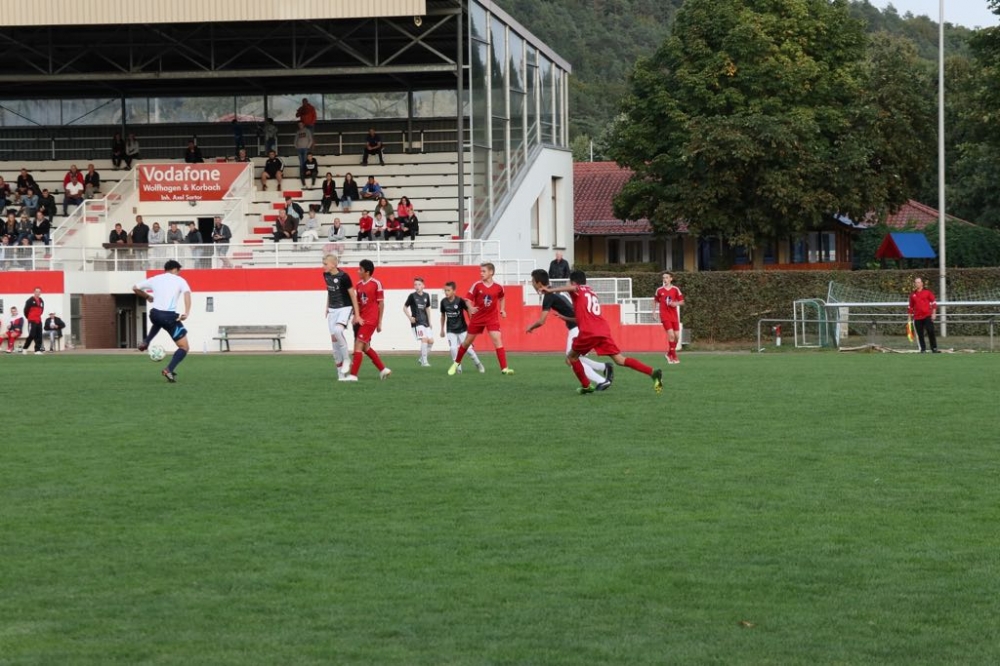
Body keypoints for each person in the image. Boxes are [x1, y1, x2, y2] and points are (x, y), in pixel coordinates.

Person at [542, 270, 663, 394]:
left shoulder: (578, 290)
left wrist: (550, 290)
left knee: (571, 358)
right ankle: (652, 372)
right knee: (620, 360)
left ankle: (586, 386)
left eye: (569, 282)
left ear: (573, 282)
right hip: (602, 329)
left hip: (589, 331)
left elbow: (573, 288)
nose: (568, 285)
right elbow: (583, 317)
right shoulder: (591, 292)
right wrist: (565, 318)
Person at [527, 268, 613, 390]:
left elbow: (542, 321)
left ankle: (602, 381)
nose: (532, 284)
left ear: (539, 283)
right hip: (580, 325)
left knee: (570, 360)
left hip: (576, 327)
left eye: (533, 281)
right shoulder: (556, 291)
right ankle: (604, 367)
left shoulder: (548, 296)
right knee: (576, 357)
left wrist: (530, 327)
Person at [447, 262, 514, 376]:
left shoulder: (498, 287)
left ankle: (504, 369)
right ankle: (456, 363)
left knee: (497, 339)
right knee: (467, 342)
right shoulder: (477, 285)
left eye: (484, 271)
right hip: (478, 318)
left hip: (492, 318)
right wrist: (470, 307)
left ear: (491, 272)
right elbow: (467, 299)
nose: (481, 273)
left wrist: (503, 309)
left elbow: (502, 297)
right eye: (480, 271)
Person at [133, 260, 192, 383]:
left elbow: (135, 288)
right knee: (184, 347)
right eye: (179, 271)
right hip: (168, 317)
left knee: (158, 321)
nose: (179, 273)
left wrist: (148, 297)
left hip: (154, 314)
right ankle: (168, 369)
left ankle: (146, 342)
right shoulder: (180, 280)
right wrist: (186, 312)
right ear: (175, 269)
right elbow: (187, 294)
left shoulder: (155, 279)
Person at [342, 258, 391, 382]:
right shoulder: (358, 285)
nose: (358, 271)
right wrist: (355, 316)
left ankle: (353, 375)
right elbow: (358, 304)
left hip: (371, 320)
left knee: (358, 345)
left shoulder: (376, 284)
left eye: (360, 269)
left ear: (367, 272)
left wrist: (379, 322)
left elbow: (381, 304)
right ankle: (383, 369)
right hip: (362, 320)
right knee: (365, 347)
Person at [321, 254, 361, 379]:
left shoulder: (344, 277)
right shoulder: (326, 275)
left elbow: (353, 295)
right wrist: (327, 306)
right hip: (332, 310)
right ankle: (340, 374)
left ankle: (347, 359)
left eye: (325, 264)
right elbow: (330, 291)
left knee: (338, 331)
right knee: (334, 343)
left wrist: (357, 314)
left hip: (345, 307)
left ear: (334, 264)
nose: (323, 266)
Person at [439, 281, 485, 373]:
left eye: (448, 290)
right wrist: (442, 329)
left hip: (462, 329)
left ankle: (478, 364)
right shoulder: (443, 302)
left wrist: (472, 323)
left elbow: (468, 310)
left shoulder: (460, 301)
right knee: (453, 348)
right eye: (445, 290)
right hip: (450, 330)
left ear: (454, 291)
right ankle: (458, 368)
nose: (446, 292)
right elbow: (443, 315)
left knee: (468, 350)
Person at [654, 271, 685, 364]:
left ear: (671, 279)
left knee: (677, 337)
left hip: (674, 316)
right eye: (663, 278)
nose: (665, 279)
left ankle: (669, 354)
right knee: (671, 335)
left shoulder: (675, 289)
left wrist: (675, 303)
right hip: (664, 315)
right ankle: (674, 356)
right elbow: (655, 301)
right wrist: (654, 312)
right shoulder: (659, 290)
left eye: (667, 277)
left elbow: (682, 301)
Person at [404, 277, 435, 366]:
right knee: (424, 339)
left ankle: (421, 359)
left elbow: (427, 308)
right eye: (415, 285)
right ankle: (424, 361)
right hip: (417, 322)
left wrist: (430, 321)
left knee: (431, 341)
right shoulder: (412, 296)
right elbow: (404, 307)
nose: (417, 286)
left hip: (425, 322)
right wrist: (410, 317)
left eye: (419, 284)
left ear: (423, 286)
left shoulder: (426, 295)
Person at [908, 276, 940, 353]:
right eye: (916, 282)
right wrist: (909, 317)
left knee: (930, 331)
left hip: (927, 316)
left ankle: (934, 348)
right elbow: (910, 307)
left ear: (922, 283)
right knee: (920, 334)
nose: (917, 284)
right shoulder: (912, 295)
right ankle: (923, 349)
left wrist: (934, 313)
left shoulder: (927, 292)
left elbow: (934, 303)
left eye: (918, 282)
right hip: (917, 317)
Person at [21, 287, 45, 354]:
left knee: (39, 335)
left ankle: (37, 350)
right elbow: (25, 311)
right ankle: (25, 348)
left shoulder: (41, 301)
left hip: (39, 320)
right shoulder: (29, 301)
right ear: (34, 292)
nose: (38, 293)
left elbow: (42, 310)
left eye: (39, 292)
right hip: (32, 320)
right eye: (36, 291)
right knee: (32, 335)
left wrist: (38, 316)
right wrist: (29, 318)